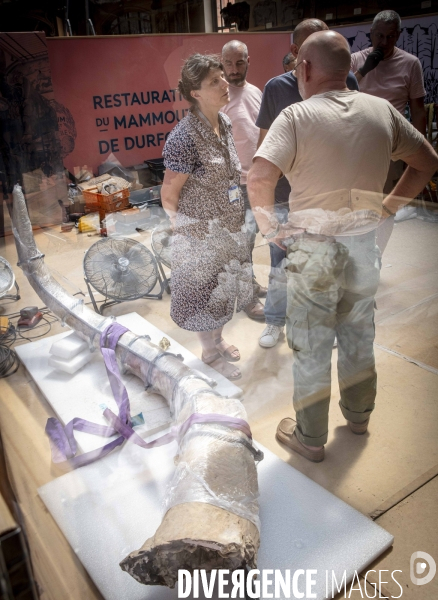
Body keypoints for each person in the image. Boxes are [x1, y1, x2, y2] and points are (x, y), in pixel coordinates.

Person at [247, 31, 438, 462]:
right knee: (357, 334)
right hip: (362, 245)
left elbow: (259, 178)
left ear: (306, 69)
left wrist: (269, 229)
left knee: (312, 343)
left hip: (313, 249)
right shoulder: (382, 111)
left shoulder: (296, 116)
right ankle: (358, 417)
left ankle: (311, 440)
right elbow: (427, 162)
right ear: (349, 68)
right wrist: (386, 209)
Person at [255, 19, 359, 349]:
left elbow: (351, 134)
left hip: (330, 195)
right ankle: (274, 322)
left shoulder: (347, 80)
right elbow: (264, 145)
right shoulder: (276, 88)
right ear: (296, 52)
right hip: (287, 196)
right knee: (280, 260)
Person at [161, 53, 253, 381]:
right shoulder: (184, 137)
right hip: (200, 234)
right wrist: (184, 234)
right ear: (196, 93)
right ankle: (209, 352)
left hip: (227, 228)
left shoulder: (224, 122)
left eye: (222, 77)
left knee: (224, 290)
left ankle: (218, 338)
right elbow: (169, 194)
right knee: (204, 295)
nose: (225, 83)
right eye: (214, 81)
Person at [351, 10, 426, 249]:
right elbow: (338, 95)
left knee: (386, 206)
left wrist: (417, 150)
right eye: (379, 36)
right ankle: (356, 255)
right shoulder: (355, 60)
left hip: (392, 146)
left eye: (390, 36)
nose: (384, 42)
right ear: (371, 34)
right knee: (354, 203)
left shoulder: (410, 63)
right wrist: (365, 70)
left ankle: (378, 255)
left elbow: (418, 110)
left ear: (398, 36)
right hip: (356, 144)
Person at [220, 39, 266, 322]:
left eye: (239, 62)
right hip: (233, 184)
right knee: (240, 240)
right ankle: (247, 297)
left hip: (258, 179)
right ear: (221, 64)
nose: (234, 69)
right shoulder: (218, 97)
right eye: (228, 63)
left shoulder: (257, 92)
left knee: (252, 236)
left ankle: (249, 283)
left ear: (248, 61)